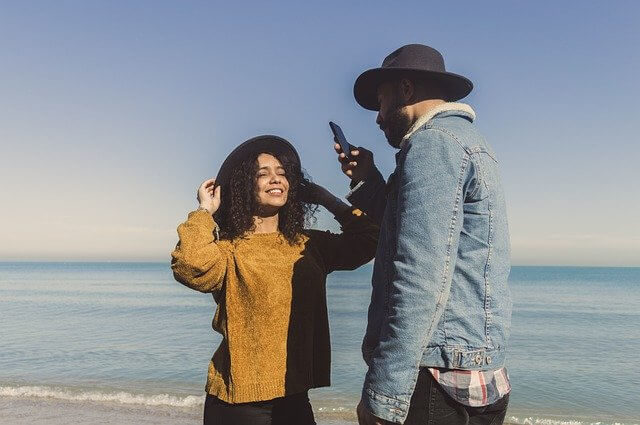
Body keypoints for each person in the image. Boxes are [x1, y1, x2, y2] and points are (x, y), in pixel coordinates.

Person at [333, 44, 512, 425]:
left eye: (381, 103)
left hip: (434, 378)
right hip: (473, 368)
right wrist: (367, 179)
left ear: (407, 90)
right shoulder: (469, 142)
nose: (379, 118)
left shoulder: (433, 145)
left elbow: (420, 275)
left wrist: (385, 394)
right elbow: (414, 230)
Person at [171, 135, 378, 425]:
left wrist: (326, 198)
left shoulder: (308, 245)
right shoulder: (229, 250)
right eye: (263, 174)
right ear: (245, 185)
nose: (275, 179)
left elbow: (370, 239)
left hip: (295, 395)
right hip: (238, 400)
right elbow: (189, 265)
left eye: (282, 173)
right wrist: (205, 211)